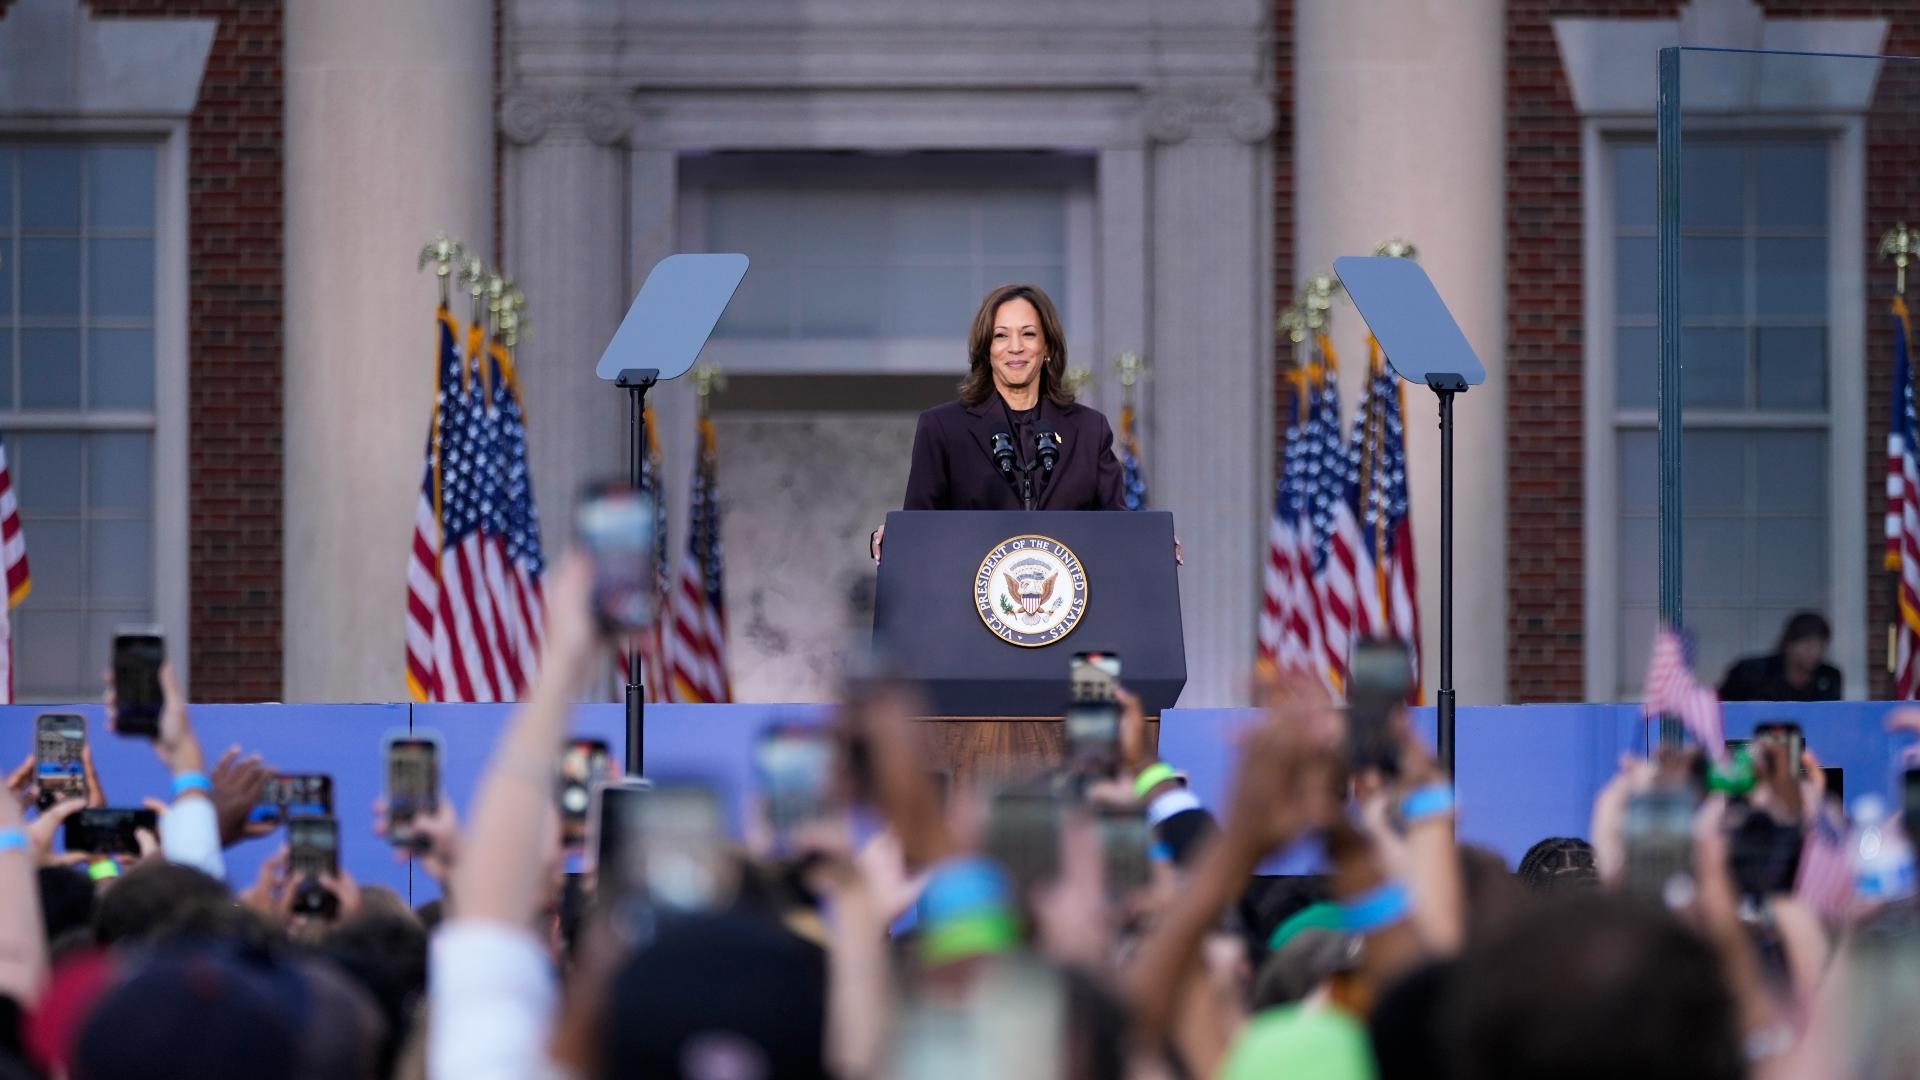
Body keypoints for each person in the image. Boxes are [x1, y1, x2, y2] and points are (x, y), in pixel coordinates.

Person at [870, 283, 1125, 561]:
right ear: (986, 349)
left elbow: (1119, 528)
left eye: (1028, 334)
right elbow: (920, 528)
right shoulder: (942, 428)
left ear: (1047, 346)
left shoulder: (1090, 429)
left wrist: (1153, 541)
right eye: (1001, 335)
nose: (1015, 348)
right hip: (967, 598)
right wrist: (896, 536)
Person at [1718, 611, 1843, 702]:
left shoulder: (1829, 676)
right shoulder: (1750, 672)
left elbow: (1830, 721)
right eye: (1808, 645)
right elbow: (1723, 711)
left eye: (1821, 646)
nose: (1815, 652)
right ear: (1789, 644)